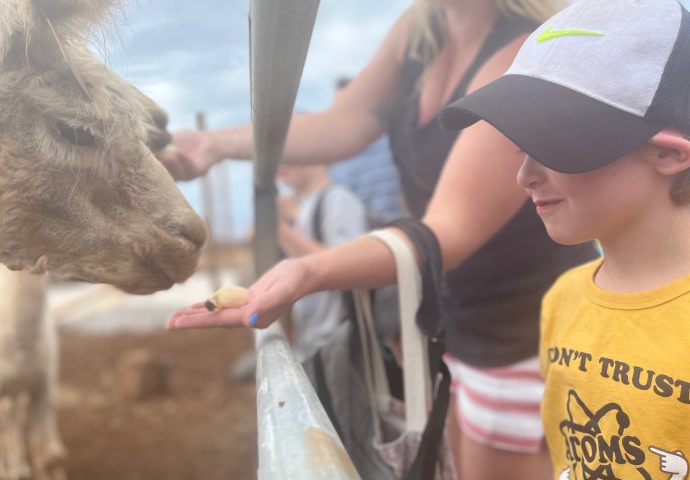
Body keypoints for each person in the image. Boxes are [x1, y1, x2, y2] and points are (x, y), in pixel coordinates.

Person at [162, 1, 599, 478]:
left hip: (523, 330)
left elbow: (450, 229)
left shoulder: (524, 46)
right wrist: (216, 144)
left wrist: (309, 270)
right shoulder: (418, 30)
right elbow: (346, 121)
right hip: (451, 320)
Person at [437, 0, 690, 478]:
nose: (523, 176)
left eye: (551, 141)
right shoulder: (562, 300)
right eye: (520, 146)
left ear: (666, 152)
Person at [276, 163, 368, 361]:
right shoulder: (304, 208)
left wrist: (279, 228)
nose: (280, 163)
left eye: (289, 151)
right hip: (314, 344)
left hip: (339, 347)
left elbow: (350, 267)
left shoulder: (337, 200)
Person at [328, 76, 403, 222]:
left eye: (346, 105)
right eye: (337, 108)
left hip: (407, 229)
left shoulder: (393, 140)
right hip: (366, 236)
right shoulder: (335, 161)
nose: (342, 114)